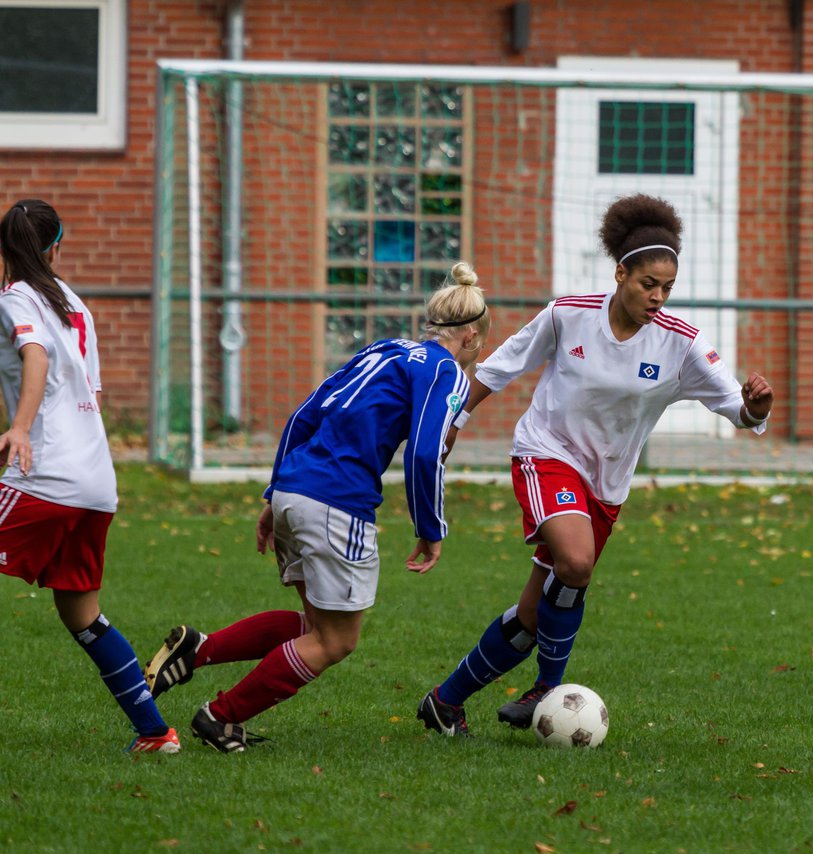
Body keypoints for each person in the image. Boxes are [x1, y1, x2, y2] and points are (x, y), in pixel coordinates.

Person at [416, 194, 774, 737]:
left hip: (605, 486)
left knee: (534, 616)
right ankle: (548, 687)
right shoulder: (569, 314)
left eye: (667, 288)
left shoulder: (682, 344)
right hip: (546, 455)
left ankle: (445, 701)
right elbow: (500, 365)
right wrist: (453, 422)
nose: (657, 296)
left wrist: (756, 407)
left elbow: (737, 408)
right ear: (621, 272)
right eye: (647, 283)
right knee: (577, 563)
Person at [143, 262, 489, 752]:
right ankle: (220, 717)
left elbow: (304, 414)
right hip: (337, 502)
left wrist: (273, 494)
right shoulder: (446, 371)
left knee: (314, 627)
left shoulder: (381, 350)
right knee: (335, 641)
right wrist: (430, 527)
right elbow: (425, 452)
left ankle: (200, 649)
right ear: (471, 335)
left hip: (295, 489)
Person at [0, 199, 180, 753]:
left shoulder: (15, 299)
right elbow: (90, 395)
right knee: (82, 614)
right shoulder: (76, 305)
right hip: (95, 484)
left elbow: (36, 358)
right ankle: (155, 733)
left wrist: (23, 428)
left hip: (46, 475)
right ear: (57, 245)